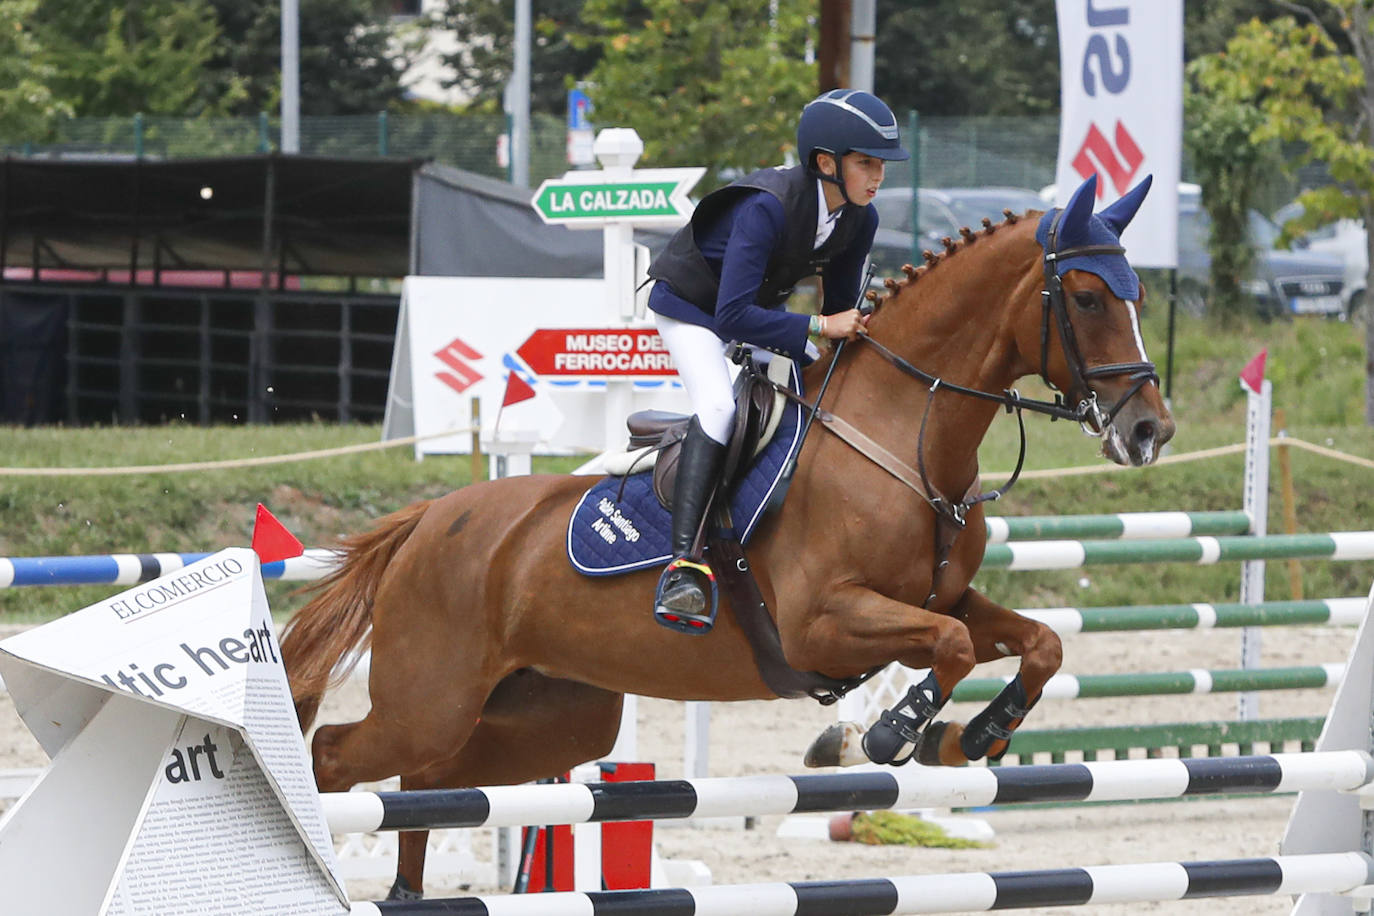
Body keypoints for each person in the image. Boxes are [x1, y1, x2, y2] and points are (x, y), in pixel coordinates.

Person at [644, 88, 909, 633]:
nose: (878, 176)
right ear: (826, 164)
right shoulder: (766, 206)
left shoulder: (859, 219)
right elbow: (733, 315)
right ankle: (683, 566)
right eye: (866, 163)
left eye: (881, 164)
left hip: (753, 313)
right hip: (693, 310)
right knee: (718, 407)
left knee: (819, 383)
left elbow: (839, 313)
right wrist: (818, 327)